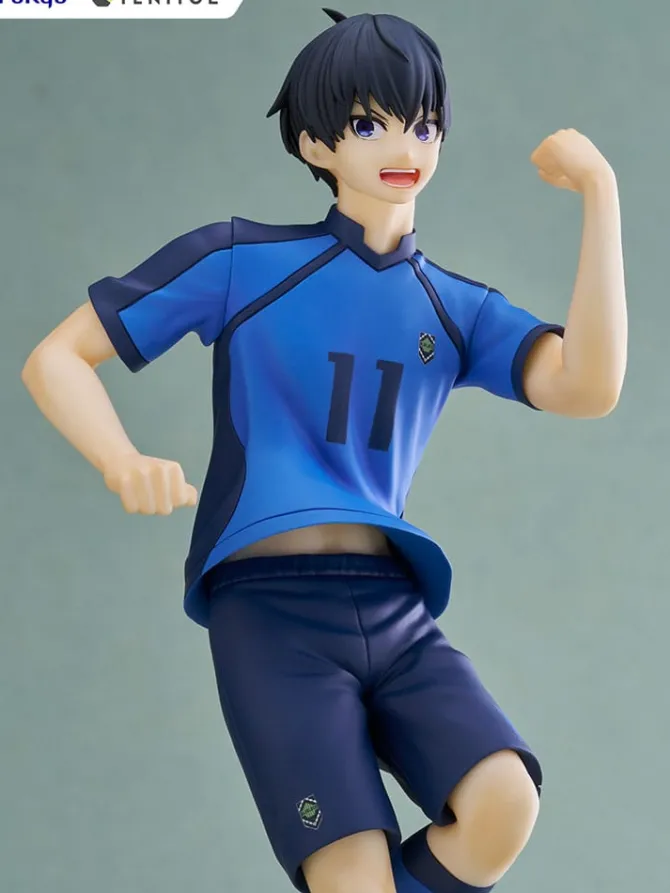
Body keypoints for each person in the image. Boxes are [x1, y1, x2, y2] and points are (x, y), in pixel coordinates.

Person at [21, 9, 627, 893]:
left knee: (504, 802)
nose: (403, 146)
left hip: (392, 603)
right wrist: (119, 457)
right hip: (270, 614)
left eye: (424, 125)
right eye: (369, 124)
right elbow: (57, 357)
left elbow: (588, 385)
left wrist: (601, 193)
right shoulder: (241, 262)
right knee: (351, 873)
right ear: (314, 143)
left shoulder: (454, 306)